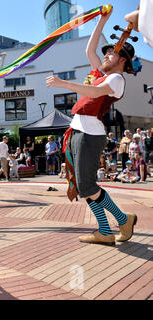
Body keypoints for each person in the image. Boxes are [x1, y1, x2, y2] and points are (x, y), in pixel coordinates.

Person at [46, 9, 137, 245]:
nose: (106, 56)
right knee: (83, 185)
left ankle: (122, 218)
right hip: (78, 132)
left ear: (122, 60)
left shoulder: (116, 79)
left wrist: (63, 83)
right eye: (105, 53)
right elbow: (90, 49)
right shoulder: (102, 73)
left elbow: (95, 92)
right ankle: (105, 231)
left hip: (90, 134)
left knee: (87, 185)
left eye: (111, 54)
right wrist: (101, 22)